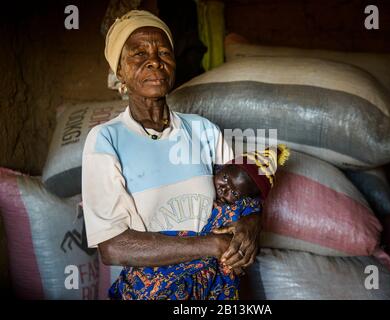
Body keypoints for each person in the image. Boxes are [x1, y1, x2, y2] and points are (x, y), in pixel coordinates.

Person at [81, 10, 262, 299]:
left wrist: (252, 224)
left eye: (164, 52)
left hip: (220, 287)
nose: (154, 61)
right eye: (139, 54)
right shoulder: (106, 139)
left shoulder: (203, 130)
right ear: (119, 73)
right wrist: (210, 246)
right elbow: (113, 246)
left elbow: (244, 197)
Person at [108, 145, 290, 300]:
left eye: (234, 193)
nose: (225, 189)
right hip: (169, 249)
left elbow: (253, 207)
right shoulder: (202, 171)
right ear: (222, 168)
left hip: (205, 265)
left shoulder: (241, 209)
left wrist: (253, 219)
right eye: (226, 179)